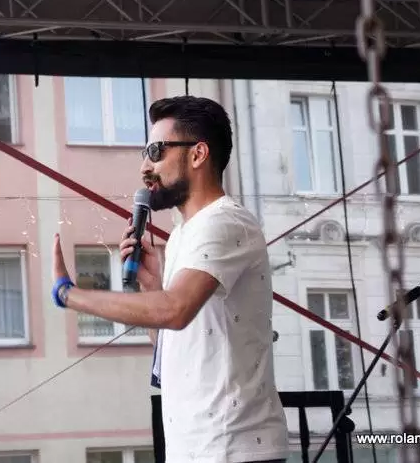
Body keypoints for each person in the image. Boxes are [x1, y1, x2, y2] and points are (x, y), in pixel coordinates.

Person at [51, 96, 289, 463]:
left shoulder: (226, 221)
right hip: (195, 447)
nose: (145, 167)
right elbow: (171, 345)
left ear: (198, 154)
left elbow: (175, 310)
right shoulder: (181, 235)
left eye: (156, 151)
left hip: (232, 448)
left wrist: (68, 294)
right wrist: (152, 287)